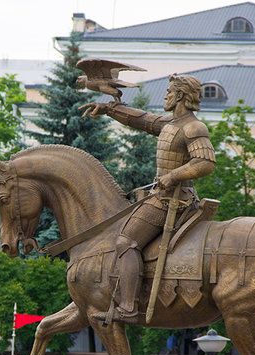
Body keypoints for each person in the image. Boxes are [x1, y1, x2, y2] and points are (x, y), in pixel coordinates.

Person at [81, 74, 216, 323]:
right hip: (161, 196)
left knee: (126, 242)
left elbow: (205, 162)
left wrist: (174, 175)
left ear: (180, 96)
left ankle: (128, 308)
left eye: (169, 91)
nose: (165, 95)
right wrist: (110, 109)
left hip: (173, 200)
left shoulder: (193, 127)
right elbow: (143, 120)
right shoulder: (171, 124)